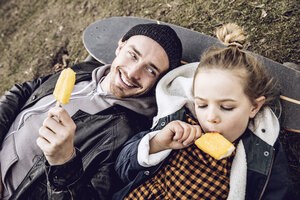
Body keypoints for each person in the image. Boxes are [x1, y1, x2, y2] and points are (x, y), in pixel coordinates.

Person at [0, 23, 182, 199]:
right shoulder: (86, 70)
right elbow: (24, 91)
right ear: (120, 47)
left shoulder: (127, 134)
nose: (133, 72)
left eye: (151, 70)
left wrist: (64, 162)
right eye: (133, 55)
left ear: (158, 81)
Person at [113, 23, 295, 200]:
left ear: (254, 107)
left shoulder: (259, 154)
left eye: (226, 107)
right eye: (202, 105)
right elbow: (121, 168)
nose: (211, 118)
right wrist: (157, 143)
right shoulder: (179, 124)